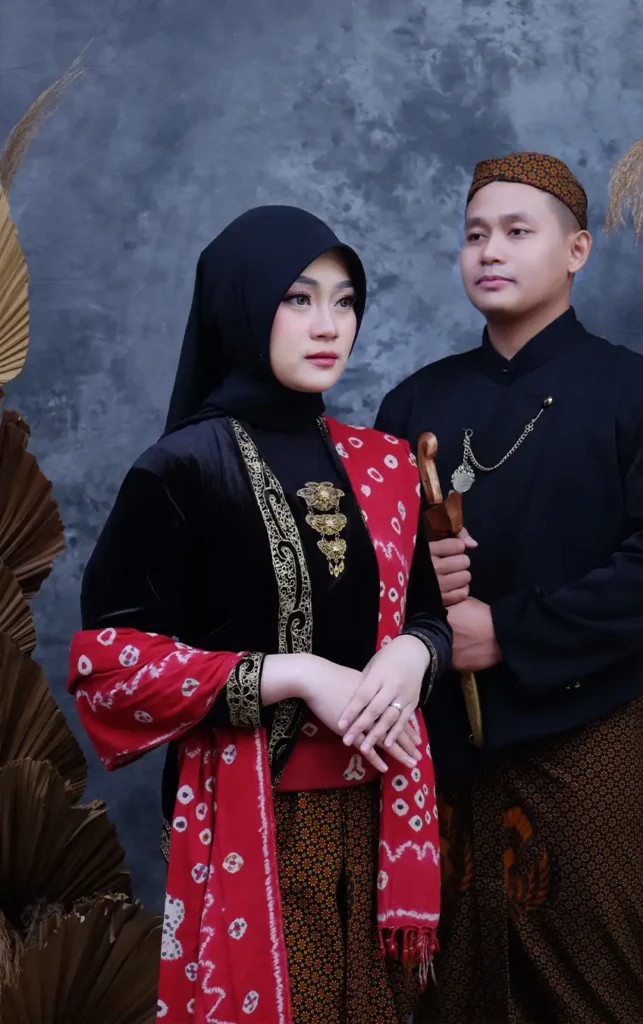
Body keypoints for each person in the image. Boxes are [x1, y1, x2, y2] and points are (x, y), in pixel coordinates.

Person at [66, 206, 451, 1024]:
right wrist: (294, 674)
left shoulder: (382, 464)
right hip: (257, 819)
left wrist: (415, 653)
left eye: (345, 301)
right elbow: (110, 665)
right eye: (298, 299)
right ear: (239, 306)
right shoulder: (182, 469)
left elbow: (426, 614)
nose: (329, 326)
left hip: (380, 817)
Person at [373, 153, 643, 1024]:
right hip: (438, 747)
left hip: (582, 735)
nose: (489, 251)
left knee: (586, 991)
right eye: (474, 235)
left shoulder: (639, 395)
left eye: (516, 232)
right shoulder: (412, 403)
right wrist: (424, 594)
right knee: (443, 992)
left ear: (575, 251)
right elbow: (372, 583)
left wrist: (509, 632)